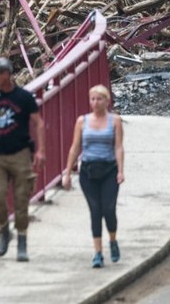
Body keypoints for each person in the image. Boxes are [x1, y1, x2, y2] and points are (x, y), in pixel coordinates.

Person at [0, 57, 45, 262]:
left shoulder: (24, 97)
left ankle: (22, 240)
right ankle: (3, 230)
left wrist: (40, 151)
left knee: (21, 201)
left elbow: (38, 123)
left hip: (20, 154)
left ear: (6, 74)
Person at [62, 84, 125, 268]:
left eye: (99, 99)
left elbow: (118, 147)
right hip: (88, 171)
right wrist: (67, 172)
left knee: (108, 209)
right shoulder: (82, 121)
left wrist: (120, 170)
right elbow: (75, 147)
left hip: (109, 170)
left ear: (107, 101)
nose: (95, 103)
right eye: (92, 99)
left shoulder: (115, 121)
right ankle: (97, 253)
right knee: (95, 211)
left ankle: (112, 240)